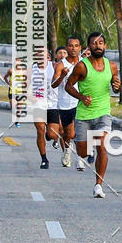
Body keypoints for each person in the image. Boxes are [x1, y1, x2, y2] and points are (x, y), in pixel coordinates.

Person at [65, 32, 120, 198]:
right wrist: (81, 97)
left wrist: (117, 86)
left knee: (101, 145)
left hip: (103, 113)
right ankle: (85, 150)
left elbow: (115, 84)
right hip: (84, 115)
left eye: (101, 43)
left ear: (105, 46)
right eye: (94, 43)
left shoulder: (111, 66)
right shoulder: (82, 66)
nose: (98, 46)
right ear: (89, 47)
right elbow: (68, 86)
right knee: (82, 152)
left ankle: (98, 185)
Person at [51, 36, 82, 168]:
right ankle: (67, 151)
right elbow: (53, 84)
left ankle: (81, 159)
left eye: (76, 46)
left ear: (80, 47)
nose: (73, 48)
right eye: (70, 46)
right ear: (66, 47)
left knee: (79, 132)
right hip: (65, 103)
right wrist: (63, 76)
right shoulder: (61, 65)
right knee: (68, 133)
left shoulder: (84, 63)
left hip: (80, 101)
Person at [31, 49, 62, 169]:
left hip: (52, 104)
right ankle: (44, 159)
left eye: (42, 55)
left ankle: (51, 137)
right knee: (40, 131)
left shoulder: (54, 66)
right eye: (38, 55)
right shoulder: (31, 70)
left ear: (47, 56)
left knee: (52, 134)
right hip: (38, 105)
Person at [4, 57, 22, 128]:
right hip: (12, 91)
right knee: (13, 107)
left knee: (19, 107)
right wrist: (8, 82)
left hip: (20, 91)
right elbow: (5, 77)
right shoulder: (11, 70)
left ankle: (17, 121)